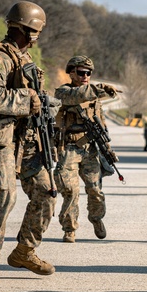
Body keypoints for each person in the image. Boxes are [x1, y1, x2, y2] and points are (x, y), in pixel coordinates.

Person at [0, 1, 61, 285]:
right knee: (4, 197)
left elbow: (34, 99)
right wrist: (28, 101)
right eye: (37, 32)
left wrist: (48, 105)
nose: (38, 37)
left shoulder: (23, 59)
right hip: (0, 140)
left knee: (47, 192)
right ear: (29, 30)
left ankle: (24, 251)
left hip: (28, 140)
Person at [53, 55, 120, 243]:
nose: (86, 76)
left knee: (95, 189)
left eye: (89, 73)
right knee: (70, 190)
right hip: (69, 149)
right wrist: (99, 89)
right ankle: (69, 228)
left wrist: (108, 149)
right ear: (71, 73)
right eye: (82, 73)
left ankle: (97, 219)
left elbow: (102, 125)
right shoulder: (64, 92)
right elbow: (76, 95)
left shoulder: (94, 97)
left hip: (90, 148)